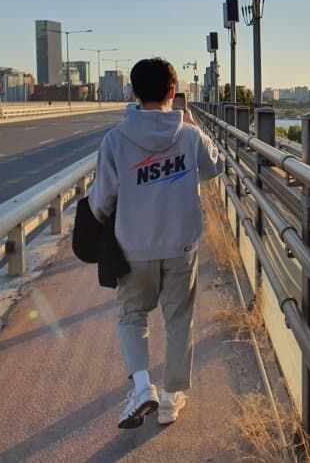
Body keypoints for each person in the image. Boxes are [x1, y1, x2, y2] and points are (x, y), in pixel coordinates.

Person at [88, 57, 223, 429]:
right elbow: (215, 167)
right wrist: (194, 126)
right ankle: (171, 398)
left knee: (132, 316)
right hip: (181, 246)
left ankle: (142, 387)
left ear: (134, 93)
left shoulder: (115, 140)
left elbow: (101, 203)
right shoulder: (189, 135)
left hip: (133, 248)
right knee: (179, 319)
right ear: (172, 93)